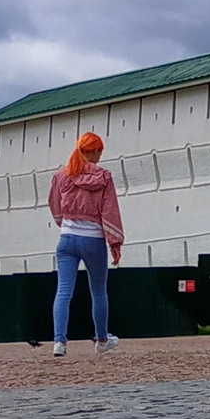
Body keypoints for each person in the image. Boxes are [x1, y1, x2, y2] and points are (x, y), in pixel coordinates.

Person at [47, 132, 124, 357]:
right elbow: (110, 210)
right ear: (95, 151)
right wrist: (115, 242)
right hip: (93, 239)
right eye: (100, 151)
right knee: (98, 292)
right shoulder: (104, 178)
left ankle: (59, 342)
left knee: (63, 291)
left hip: (67, 239)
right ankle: (101, 339)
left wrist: (66, 223)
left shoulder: (62, 175)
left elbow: (54, 204)